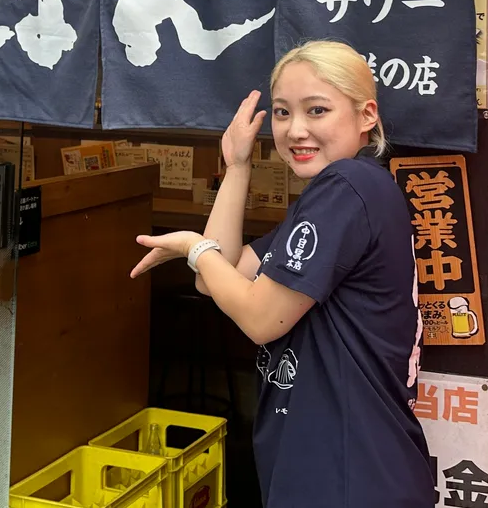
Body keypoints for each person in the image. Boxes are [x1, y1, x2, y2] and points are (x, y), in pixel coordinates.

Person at [131, 40, 435, 507]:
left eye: (317, 110)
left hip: (348, 472)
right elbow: (218, 276)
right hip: (342, 465)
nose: (295, 130)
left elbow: (259, 318)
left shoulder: (346, 187)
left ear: (366, 115)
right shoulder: (347, 195)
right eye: (281, 113)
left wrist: (194, 247)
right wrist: (236, 167)